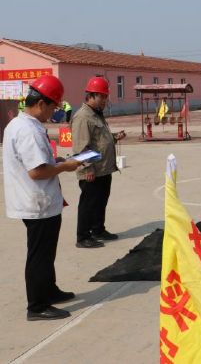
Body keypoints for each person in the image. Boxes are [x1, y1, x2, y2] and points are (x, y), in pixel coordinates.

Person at [3, 75, 82, 321]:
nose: (54, 113)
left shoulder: (23, 124)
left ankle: (49, 290)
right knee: (39, 255)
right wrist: (64, 167)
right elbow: (36, 172)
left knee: (46, 253)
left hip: (39, 200)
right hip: (36, 202)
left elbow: (37, 162)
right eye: (53, 108)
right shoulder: (27, 130)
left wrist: (54, 161)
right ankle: (37, 306)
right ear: (41, 103)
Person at [71, 77, 126, 249]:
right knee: (89, 203)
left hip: (103, 168)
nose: (104, 100)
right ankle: (83, 236)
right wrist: (88, 168)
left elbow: (99, 141)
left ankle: (98, 230)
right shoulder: (83, 117)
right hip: (92, 170)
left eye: (105, 97)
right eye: (101, 97)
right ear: (91, 96)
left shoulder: (96, 114)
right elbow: (81, 146)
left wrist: (114, 138)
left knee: (100, 201)